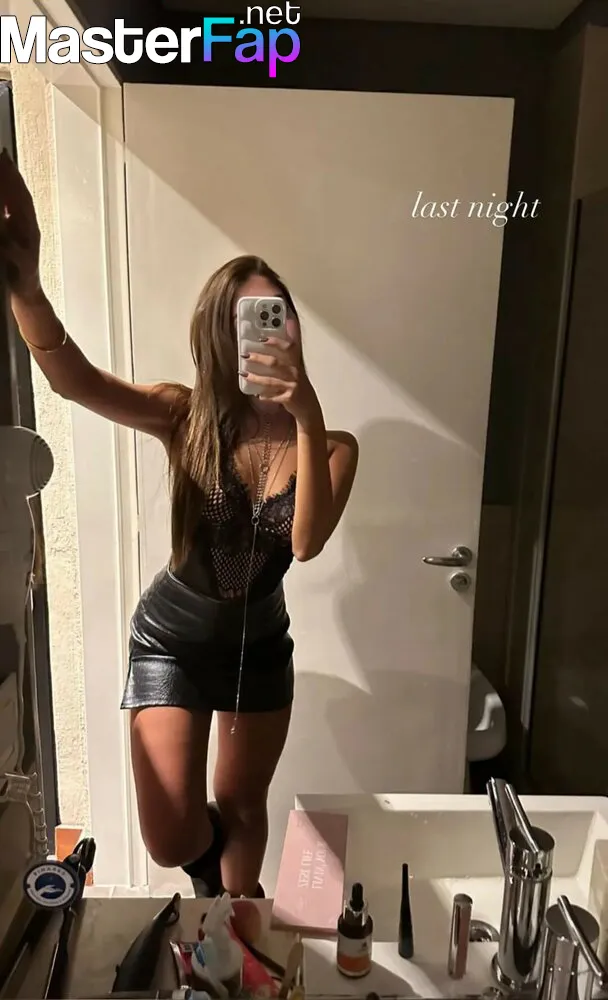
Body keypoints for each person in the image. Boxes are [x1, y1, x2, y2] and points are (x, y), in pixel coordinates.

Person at [0, 151, 359, 898]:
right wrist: (27, 288)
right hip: (171, 636)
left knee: (244, 804)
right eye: (245, 319)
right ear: (219, 334)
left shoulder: (332, 446)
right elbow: (75, 382)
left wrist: (306, 411)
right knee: (168, 838)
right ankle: (212, 880)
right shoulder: (184, 415)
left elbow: (304, 543)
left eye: (278, 314)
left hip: (259, 642)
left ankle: (232, 922)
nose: (266, 331)